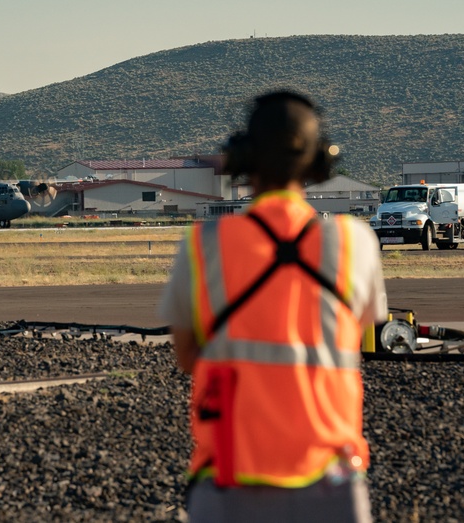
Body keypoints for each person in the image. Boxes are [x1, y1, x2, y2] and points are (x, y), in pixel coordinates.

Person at [159, 90, 387, 522]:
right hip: (330, 481)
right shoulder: (356, 242)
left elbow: (187, 356)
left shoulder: (204, 244)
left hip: (230, 478)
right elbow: (354, 333)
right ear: (320, 162)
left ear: (244, 157)